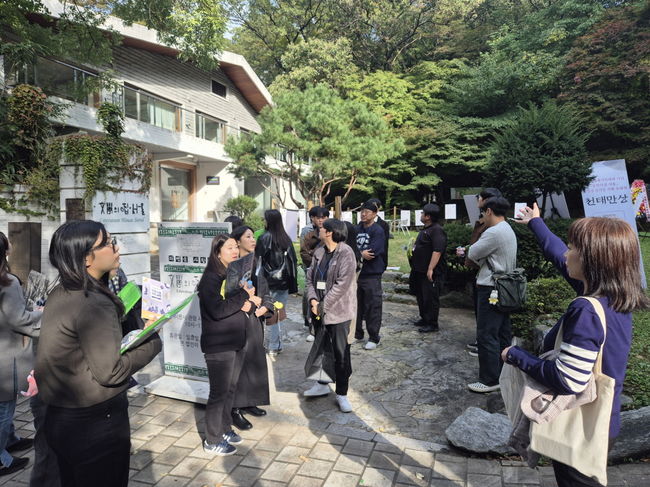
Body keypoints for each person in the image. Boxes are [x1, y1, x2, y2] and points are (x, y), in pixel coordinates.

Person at [504, 203, 649, 487]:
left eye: (573, 248)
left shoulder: (586, 310)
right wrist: (536, 223)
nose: (566, 254)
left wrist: (515, 355)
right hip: (604, 421)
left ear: (593, 261)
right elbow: (558, 254)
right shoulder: (614, 296)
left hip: (581, 426)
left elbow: (567, 379)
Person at [35, 221, 161, 487]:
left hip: (62, 418)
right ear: (85, 258)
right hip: (96, 424)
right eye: (107, 243)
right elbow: (110, 372)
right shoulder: (92, 302)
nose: (116, 248)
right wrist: (152, 340)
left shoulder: (62, 291)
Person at [197, 234, 258, 455]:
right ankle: (212, 440)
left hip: (235, 340)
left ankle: (224, 429)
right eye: (229, 248)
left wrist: (247, 299)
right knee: (218, 393)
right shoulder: (211, 278)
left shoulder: (231, 274)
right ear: (217, 253)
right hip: (219, 344)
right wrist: (244, 295)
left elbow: (240, 304)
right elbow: (217, 310)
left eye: (235, 247)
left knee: (230, 389)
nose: (234, 251)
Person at [0, 232, 42, 478]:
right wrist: (43, 313)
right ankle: (2, 459)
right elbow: (20, 319)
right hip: (5, 357)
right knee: (4, 408)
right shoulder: (8, 282)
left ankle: (11, 439)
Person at [304, 219, 357, 412]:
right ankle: (322, 383)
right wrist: (313, 300)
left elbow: (342, 285)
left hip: (339, 313)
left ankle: (342, 393)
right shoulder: (319, 251)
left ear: (330, 232)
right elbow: (310, 279)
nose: (318, 229)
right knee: (322, 348)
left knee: (341, 353)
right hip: (318, 310)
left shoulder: (346, 253)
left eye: (322, 228)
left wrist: (322, 305)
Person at [466, 196, 517, 393]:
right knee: (502, 332)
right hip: (503, 287)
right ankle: (503, 372)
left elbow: (473, 252)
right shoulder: (507, 228)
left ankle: (489, 379)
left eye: (483, 213)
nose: (482, 218)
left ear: (488, 211)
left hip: (491, 287)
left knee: (486, 333)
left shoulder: (493, 232)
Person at [227, 226, 273, 431]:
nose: (253, 240)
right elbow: (227, 296)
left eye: (253, 236)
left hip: (254, 318)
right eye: (248, 237)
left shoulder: (256, 262)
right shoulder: (230, 265)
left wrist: (266, 306)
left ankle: (250, 400)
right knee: (237, 366)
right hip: (237, 320)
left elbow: (265, 289)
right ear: (237, 241)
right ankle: (234, 409)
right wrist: (249, 303)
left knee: (254, 361)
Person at [255, 209, 298, 355]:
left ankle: (272, 345)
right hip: (283, 282)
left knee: (268, 312)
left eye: (265, 219)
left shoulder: (264, 238)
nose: (264, 221)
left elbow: (258, 262)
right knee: (279, 313)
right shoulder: (286, 238)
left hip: (268, 283)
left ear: (269, 221)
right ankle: (277, 344)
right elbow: (292, 262)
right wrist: (292, 284)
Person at [466, 188, 502, 355]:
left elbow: (476, 251)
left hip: (489, 278)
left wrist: (470, 252)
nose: (477, 200)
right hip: (481, 272)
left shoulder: (494, 228)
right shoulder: (491, 223)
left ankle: (485, 348)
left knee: (488, 320)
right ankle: (482, 341)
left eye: (479, 198)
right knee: (482, 316)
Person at [409, 203, 447, 333]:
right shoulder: (425, 229)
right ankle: (424, 318)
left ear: (428, 216)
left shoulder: (437, 230)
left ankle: (432, 323)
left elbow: (437, 251)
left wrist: (431, 268)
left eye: (422, 213)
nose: (421, 215)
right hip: (419, 270)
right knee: (421, 296)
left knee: (430, 297)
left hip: (430, 271)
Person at [354, 201, 387, 350]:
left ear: (374, 214)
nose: (363, 214)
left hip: (372, 274)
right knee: (356, 305)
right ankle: (357, 333)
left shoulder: (378, 230)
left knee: (372, 306)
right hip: (357, 273)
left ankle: (374, 337)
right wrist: (361, 253)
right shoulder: (356, 228)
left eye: (367, 212)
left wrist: (360, 254)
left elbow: (373, 252)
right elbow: (351, 247)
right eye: (362, 211)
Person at [300, 206, 329, 337]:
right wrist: (315, 263)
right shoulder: (308, 234)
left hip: (328, 272)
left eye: (323, 217)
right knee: (311, 297)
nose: (321, 220)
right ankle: (311, 325)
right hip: (312, 271)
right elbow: (304, 253)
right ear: (313, 218)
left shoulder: (333, 232)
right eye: (318, 218)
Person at [366, 198, 390, 271]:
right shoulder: (361, 224)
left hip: (378, 260)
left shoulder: (383, 225)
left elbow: (384, 245)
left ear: (378, 209)